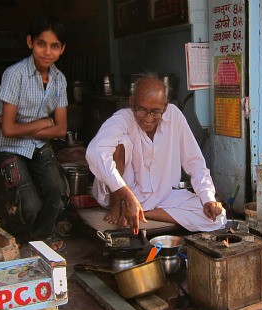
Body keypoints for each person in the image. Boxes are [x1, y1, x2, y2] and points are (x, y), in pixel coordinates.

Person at [85, 73, 226, 234]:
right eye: (141, 110)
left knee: (217, 217)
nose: (148, 118)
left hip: (163, 196)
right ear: (132, 102)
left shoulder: (174, 116)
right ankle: (120, 204)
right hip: (123, 192)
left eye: (155, 112)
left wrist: (208, 199)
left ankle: (143, 213)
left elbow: (195, 163)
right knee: (120, 143)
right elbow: (96, 151)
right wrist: (125, 193)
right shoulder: (122, 119)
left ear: (165, 107)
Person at [0, 14, 68, 251]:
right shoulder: (15, 74)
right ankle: (14, 225)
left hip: (37, 144)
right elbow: (7, 128)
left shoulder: (59, 80)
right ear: (30, 42)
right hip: (8, 145)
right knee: (30, 204)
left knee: (58, 189)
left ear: (62, 49)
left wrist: (45, 127)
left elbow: (61, 128)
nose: (47, 51)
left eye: (54, 46)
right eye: (41, 44)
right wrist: (43, 123)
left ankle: (41, 236)